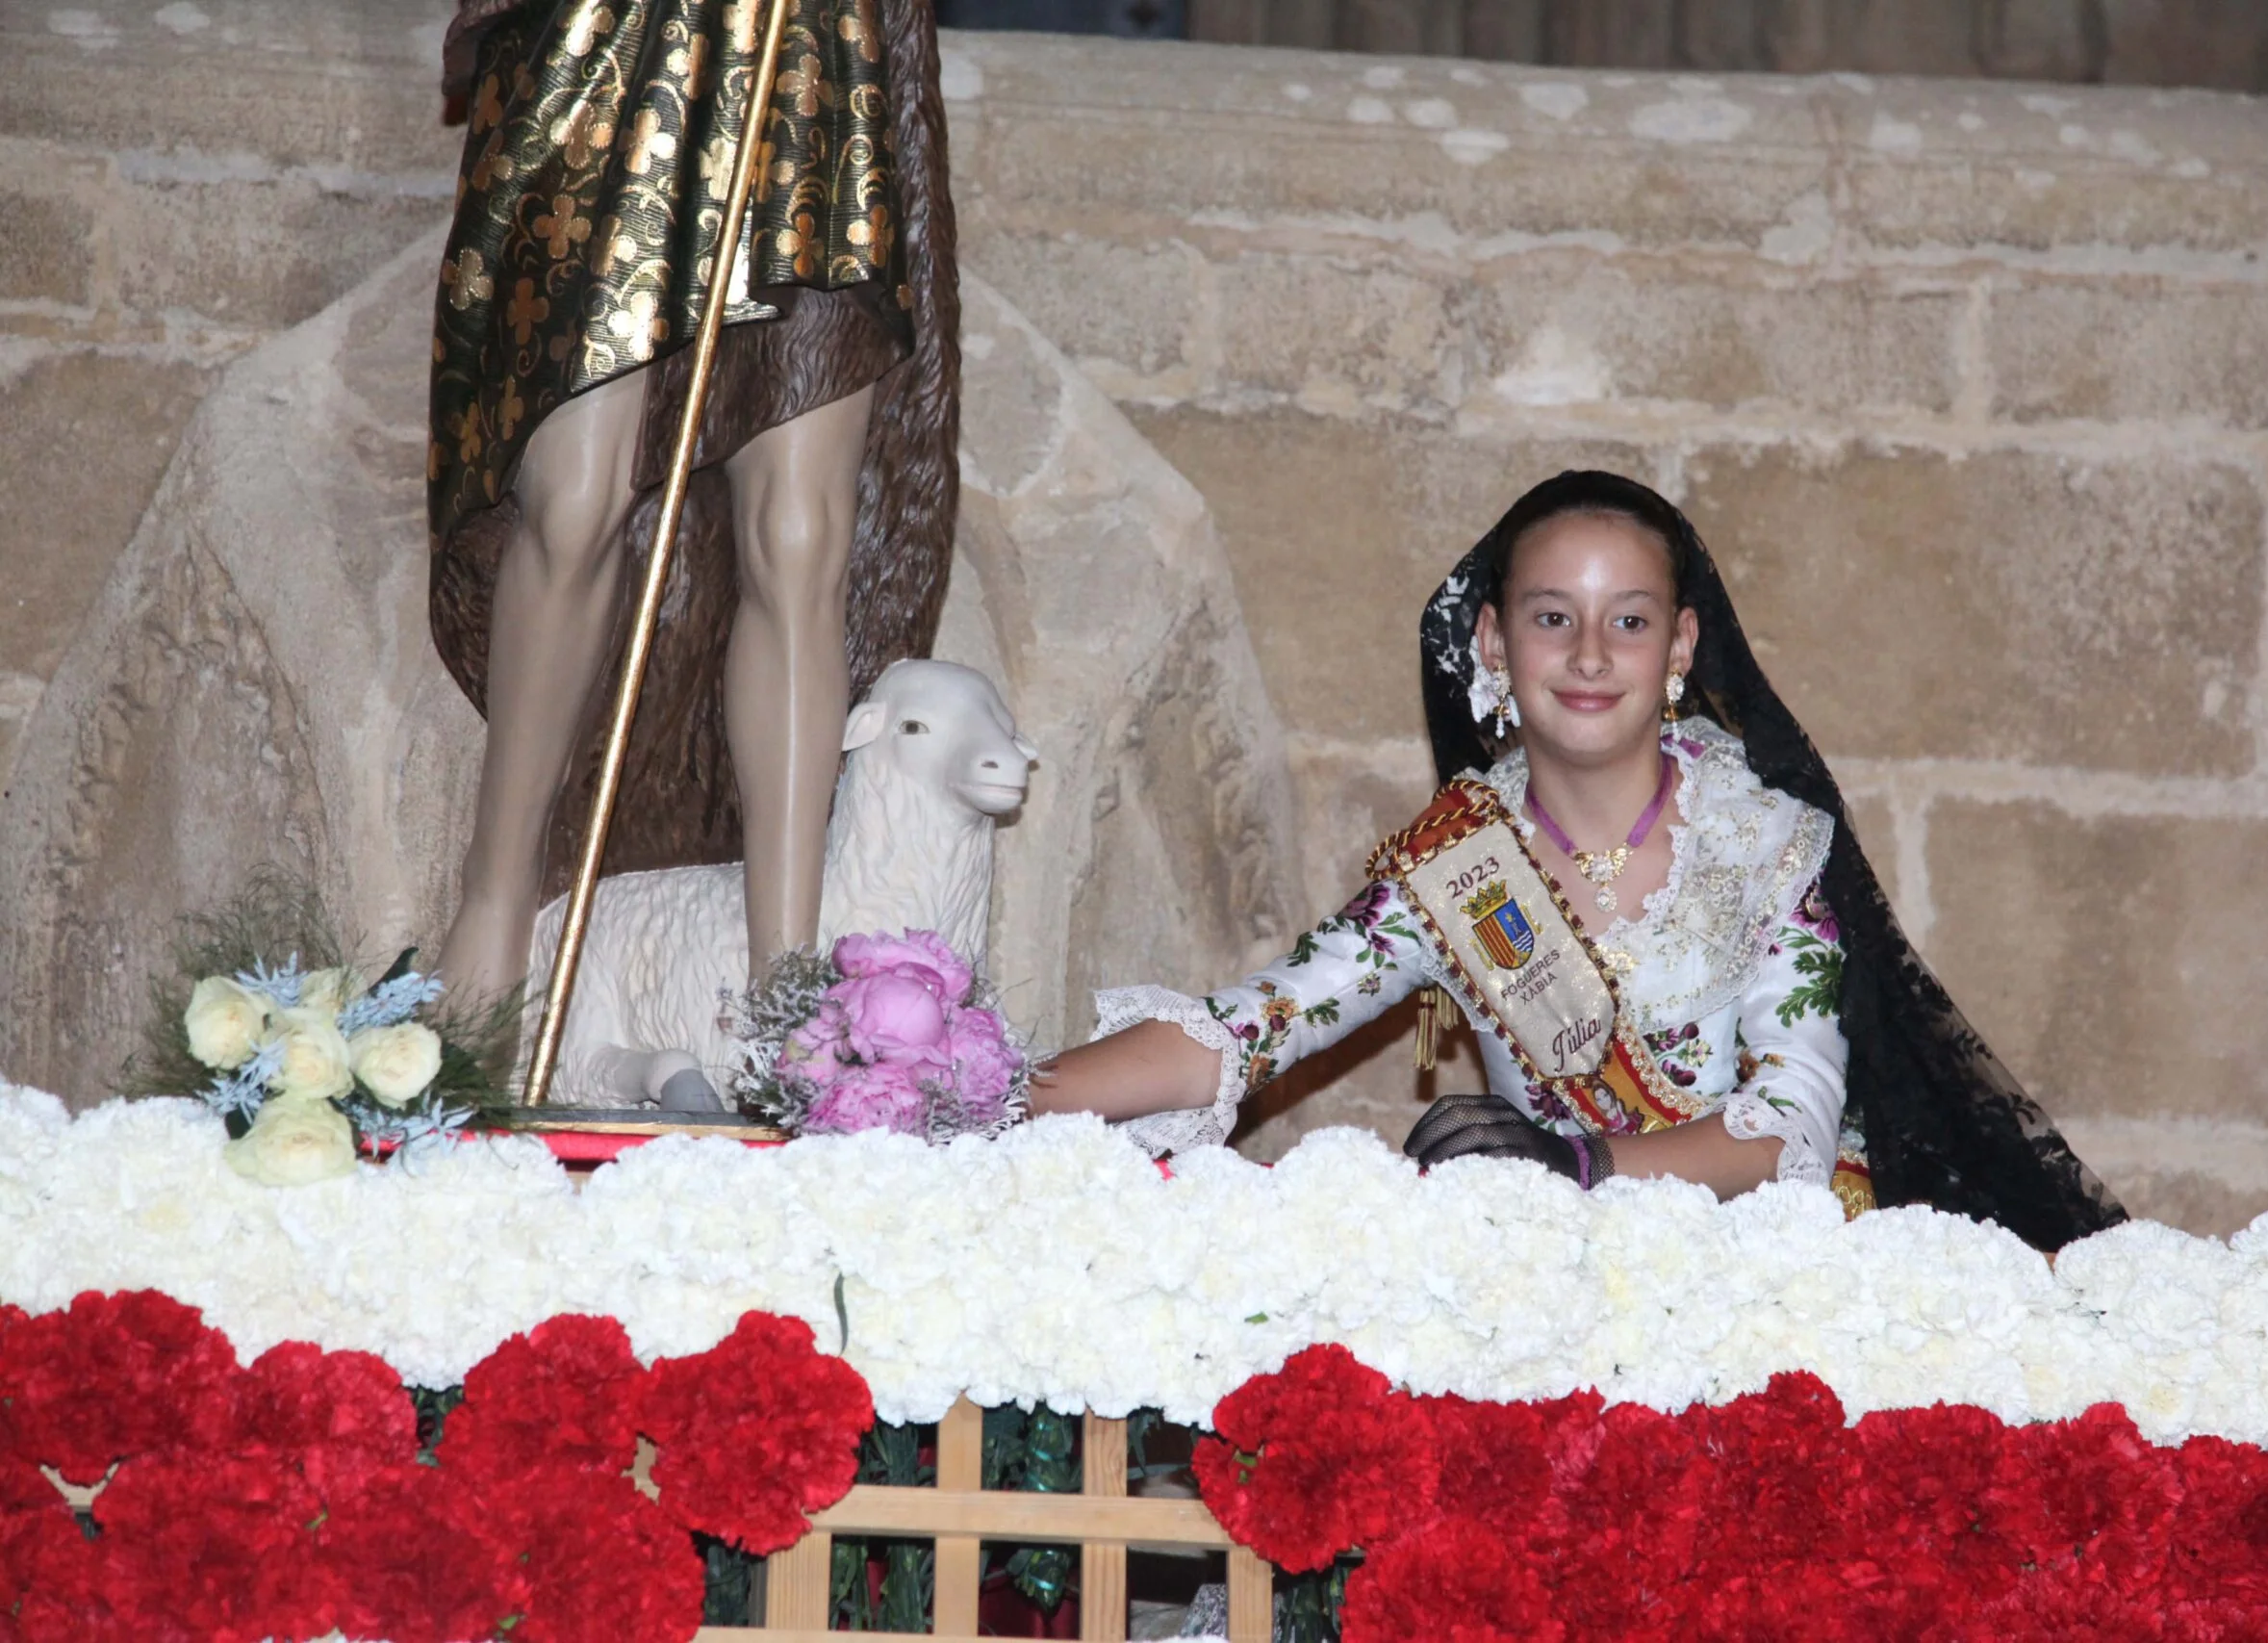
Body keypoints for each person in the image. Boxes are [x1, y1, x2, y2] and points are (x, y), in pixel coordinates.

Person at [1032, 471, 2127, 1252]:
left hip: (1780, 1277)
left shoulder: (1766, 841)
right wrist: (990, 1098)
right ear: (1495, 646)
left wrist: (1580, 1167)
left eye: (1630, 622)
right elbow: (1252, 1026)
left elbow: (1790, 1119)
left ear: (1681, 649)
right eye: (1553, 618)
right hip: (1557, 1276)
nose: (1592, 656)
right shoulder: (1453, 870)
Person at [426, 0, 959, 1013]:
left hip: (808, 44)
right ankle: (493, 905)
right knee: (574, 502)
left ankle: (786, 983)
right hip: (608, 33)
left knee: (799, 536)